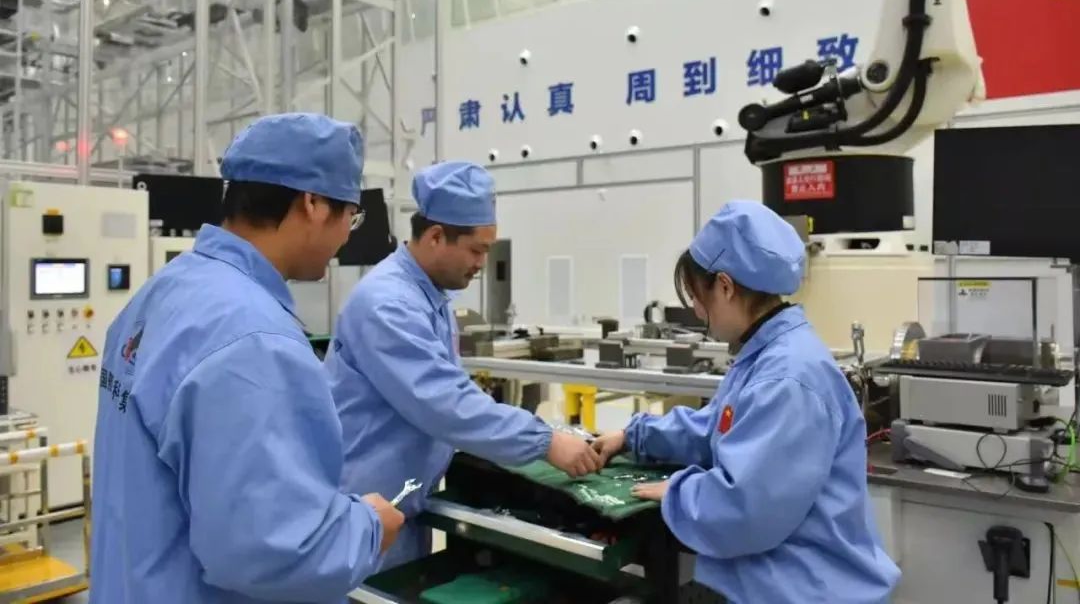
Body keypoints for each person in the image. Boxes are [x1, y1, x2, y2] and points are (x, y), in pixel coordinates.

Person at [90, 113, 405, 604]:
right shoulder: (255, 340)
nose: (348, 234)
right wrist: (368, 528)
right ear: (313, 203)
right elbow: (270, 550)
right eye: (351, 215)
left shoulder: (159, 294)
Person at [591, 201, 900, 604]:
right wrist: (634, 436)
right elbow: (716, 428)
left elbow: (746, 509)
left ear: (724, 286)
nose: (696, 311)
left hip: (804, 590)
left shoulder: (787, 377)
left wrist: (680, 491)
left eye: (697, 297)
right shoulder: (765, 353)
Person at [326, 160, 602, 570]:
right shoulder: (388, 304)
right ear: (436, 236)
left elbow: (451, 390)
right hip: (363, 507)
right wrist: (545, 441)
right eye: (477, 250)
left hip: (401, 501)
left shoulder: (430, 298)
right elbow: (445, 402)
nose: (482, 264)